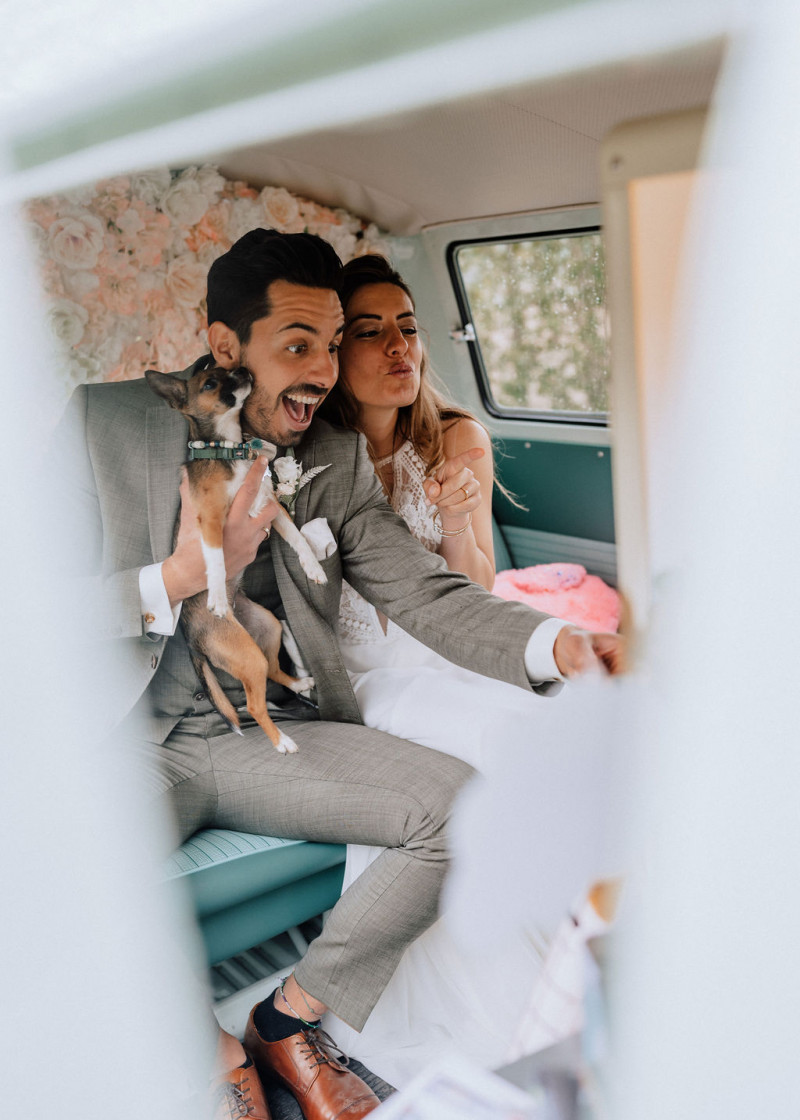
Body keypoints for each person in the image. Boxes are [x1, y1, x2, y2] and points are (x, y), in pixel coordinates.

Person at [56, 228, 624, 1119]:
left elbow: (426, 593)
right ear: (225, 345)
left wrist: (562, 646)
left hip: (269, 734)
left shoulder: (332, 454)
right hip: (131, 735)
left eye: (330, 345)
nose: (323, 372)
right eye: (299, 346)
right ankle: (210, 1057)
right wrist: (178, 574)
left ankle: (287, 1022)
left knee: (462, 807)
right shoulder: (103, 424)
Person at [315, 255, 616, 1085]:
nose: (398, 347)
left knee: (555, 720)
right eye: (370, 332)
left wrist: (455, 521)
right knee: (498, 735)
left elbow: (475, 589)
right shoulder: (310, 458)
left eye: (408, 327)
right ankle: (529, 1001)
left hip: (457, 647)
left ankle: (589, 953)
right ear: (334, 354)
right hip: (366, 677)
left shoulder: (455, 438)